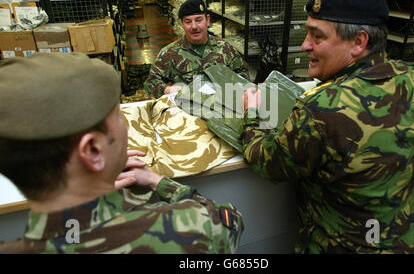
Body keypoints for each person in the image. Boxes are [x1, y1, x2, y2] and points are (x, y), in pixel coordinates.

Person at [241, 0, 414, 254]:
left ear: (359, 42)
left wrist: (254, 113)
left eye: (317, 37)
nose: (305, 44)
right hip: (406, 239)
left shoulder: (320, 109)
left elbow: (267, 162)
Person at [0, 52, 244, 254]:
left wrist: (89, 183)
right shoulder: (190, 231)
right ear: (93, 150)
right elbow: (230, 221)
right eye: (118, 115)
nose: (126, 124)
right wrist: (157, 181)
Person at [144, 0, 249, 98]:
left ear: (207, 20)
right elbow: (150, 83)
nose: (194, 26)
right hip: (186, 112)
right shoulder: (169, 53)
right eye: (188, 21)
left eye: (198, 20)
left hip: (220, 110)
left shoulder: (225, 49)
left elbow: (243, 76)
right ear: (182, 24)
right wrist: (168, 90)